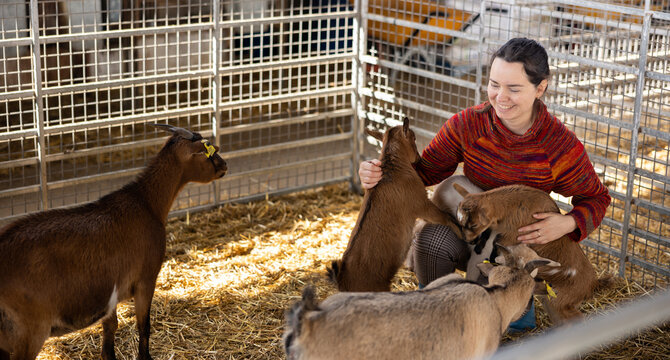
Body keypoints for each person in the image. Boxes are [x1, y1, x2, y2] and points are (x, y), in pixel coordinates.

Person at [358, 38, 611, 331]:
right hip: (473, 229)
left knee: (500, 321)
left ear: (540, 88)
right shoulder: (467, 124)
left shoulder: (558, 146)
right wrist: (379, 175)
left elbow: (596, 198)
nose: (500, 97)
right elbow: (424, 173)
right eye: (494, 84)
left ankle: (514, 308)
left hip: (517, 249)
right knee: (430, 239)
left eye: (514, 88)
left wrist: (567, 224)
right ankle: (435, 317)